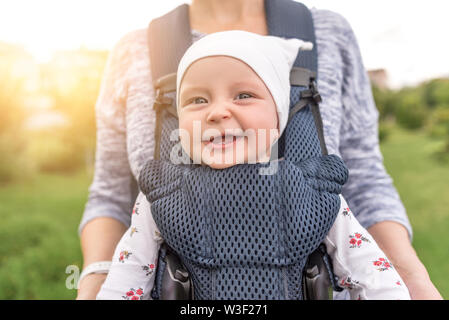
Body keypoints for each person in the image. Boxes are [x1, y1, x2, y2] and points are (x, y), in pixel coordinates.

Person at [77, 0, 442, 300]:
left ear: (280, 112)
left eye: (244, 95)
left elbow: (364, 188)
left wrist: (410, 280)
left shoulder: (316, 195)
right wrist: (95, 279)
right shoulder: (162, 197)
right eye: (198, 99)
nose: (219, 111)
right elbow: (112, 203)